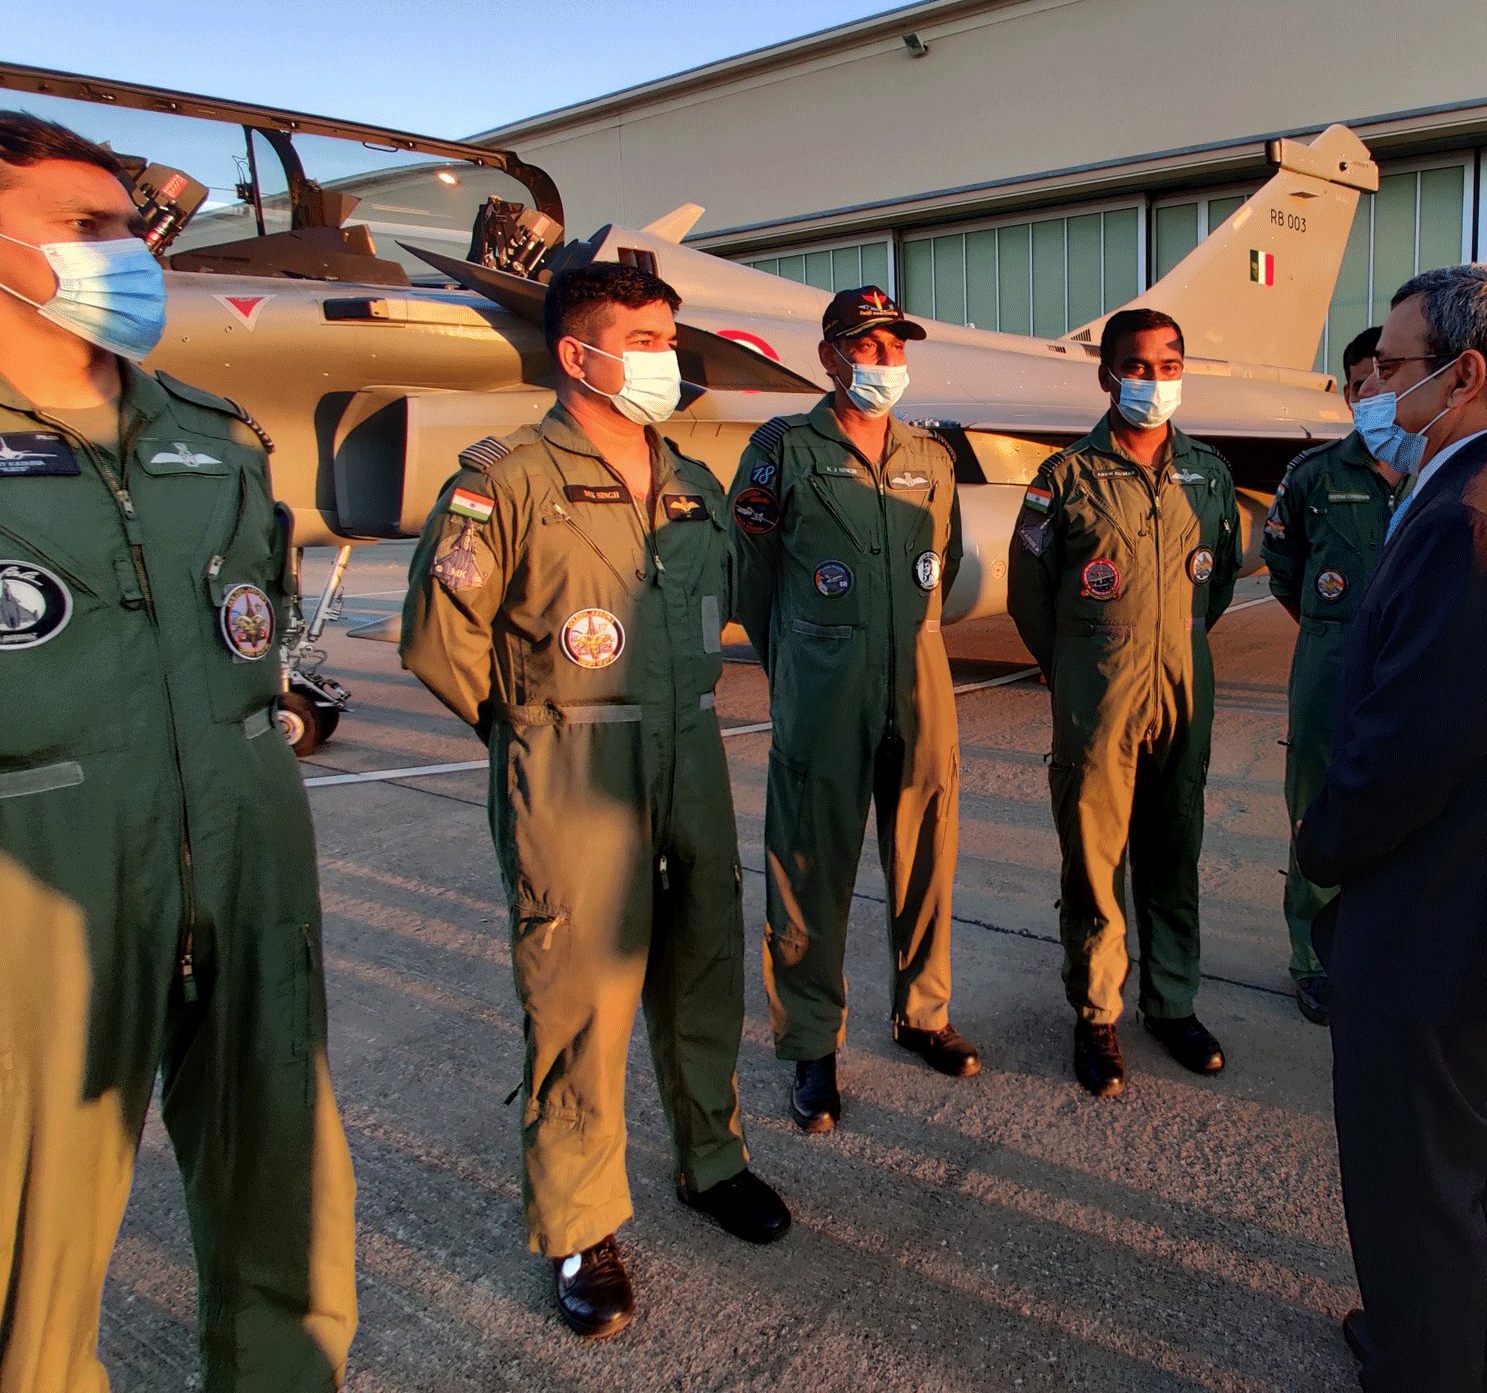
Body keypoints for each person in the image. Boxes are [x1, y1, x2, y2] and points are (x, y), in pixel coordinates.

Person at [0, 111, 357, 1389]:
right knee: (26, 1256)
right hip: (39, 888)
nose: (129, 256)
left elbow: (251, 642)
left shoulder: (213, 439)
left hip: (247, 862)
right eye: (86, 231)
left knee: (283, 1188)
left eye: (130, 228)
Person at [402, 262, 789, 1341]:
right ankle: (580, 1226)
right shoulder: (504, 477)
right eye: (648, 338)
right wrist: (534, 735)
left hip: (688, 757)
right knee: (579, 1005)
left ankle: (710, 1160)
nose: (669, 358)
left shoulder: (692, 483)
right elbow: (440, 642)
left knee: (702, 964)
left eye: (669, 337)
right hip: (572, 767)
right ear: (581, 355)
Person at [1298, 262, 1487, 1393]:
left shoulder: (1470, 520)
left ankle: (1428, 1368)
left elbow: (1406, 752)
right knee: (1470, 1163)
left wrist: (1320, 846)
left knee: (1411, 1178)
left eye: (1395, 362)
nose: (1375, 382)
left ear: (1464, 376)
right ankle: (1473, 1355)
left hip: (1433, 919)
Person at [730, 285, 981, 1136]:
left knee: (926, 861)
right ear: (829, 357)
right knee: (809, 872)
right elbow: (752, 577)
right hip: (823, 694)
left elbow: (938, 564)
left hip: (919, 689)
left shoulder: (932, 454)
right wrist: (802, 666)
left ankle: (923, 1013)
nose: (884, 362)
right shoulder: (783, 450)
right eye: (866, 348)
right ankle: (811, 1044)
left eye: (894, 347)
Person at [1007, 307, 1242, 1097]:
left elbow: (1216, 582)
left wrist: (1174, 651)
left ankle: (1172, 1002)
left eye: (1169, 363)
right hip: (1097, 693)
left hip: (1183, 685)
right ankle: (1098, 1011)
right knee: (1095, 855)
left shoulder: (1208, 472)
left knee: (1175, 846)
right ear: (1107, 375)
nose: (1155, 379)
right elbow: (1028, 588)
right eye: (1138, 366)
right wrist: (1073, 664)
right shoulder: (1065, 476)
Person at [1260, 325, 1398, 1025]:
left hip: (1413, 673)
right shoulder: (1314, 476)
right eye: (1362, 380)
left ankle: (1391, 950)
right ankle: (1314, 959)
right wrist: (1331, 632)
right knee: (1317, 808)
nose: (1376, 391)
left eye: (1390, 374)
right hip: (1331, 669)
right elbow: (1284, 569)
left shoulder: (1442, 470)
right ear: (1348, 392)